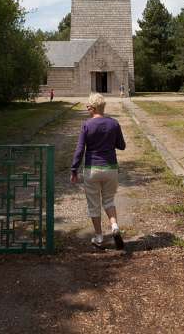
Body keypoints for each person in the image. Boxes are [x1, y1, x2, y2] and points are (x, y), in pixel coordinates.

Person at [70, 93, 126, 249]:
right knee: (109, 201)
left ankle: (99, 237)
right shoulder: (114, 123)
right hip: (110, 168)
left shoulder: (87, 125)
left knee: (94, 204)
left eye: (88, 106)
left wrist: (74, 169)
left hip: (92, 169)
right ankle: (114, 226)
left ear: (92, 108)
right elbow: (122, 145)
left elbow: (80, 149)